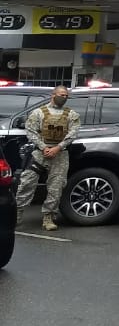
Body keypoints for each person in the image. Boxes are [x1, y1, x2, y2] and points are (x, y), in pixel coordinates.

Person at [14, 86, 80, 231]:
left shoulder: (71, 115)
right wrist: (43, 147)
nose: (64, 97)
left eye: (66, 95)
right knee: (27, 182)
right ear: (53, 95)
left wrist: (58, 148)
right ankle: (16, 214)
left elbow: (73, 134)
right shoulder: (38, 113)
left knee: (56, 187)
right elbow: (31, 131)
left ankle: (49, 216)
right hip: (39, 154)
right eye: (61, 94)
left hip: (60, 155)